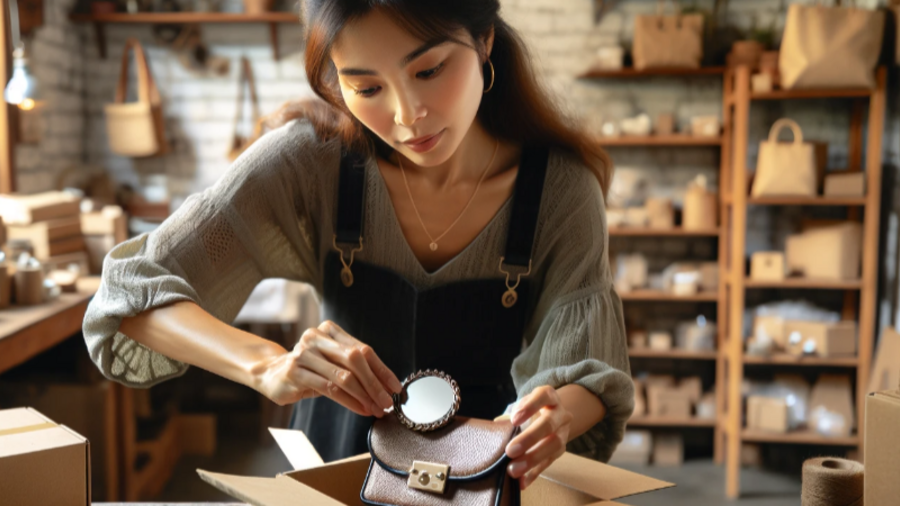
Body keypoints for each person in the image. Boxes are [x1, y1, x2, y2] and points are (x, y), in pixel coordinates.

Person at [82, 0, 633, 490]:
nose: (405, 114)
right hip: (334, 469)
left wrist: (557, 415)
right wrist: (265, 366)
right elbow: (129, 295)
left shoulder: (560, 190)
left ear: (485, 39)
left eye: (430, 69)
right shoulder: (307, 162)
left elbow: (590, 369)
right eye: (367, 87)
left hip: (481, 478)